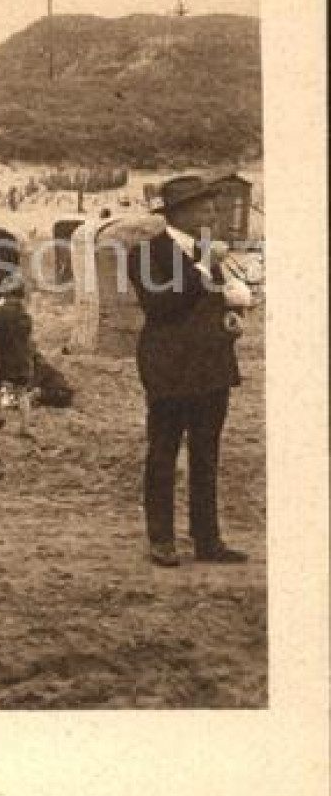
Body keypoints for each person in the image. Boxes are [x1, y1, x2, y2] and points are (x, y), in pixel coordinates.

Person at [128, 175, 248, 567]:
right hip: (170, 369)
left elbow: (212, 302)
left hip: (211, 365)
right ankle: (161, 539)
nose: (212, 213)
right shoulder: (146, 253)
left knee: (206, 454)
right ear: (180, 213)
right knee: (163, 451)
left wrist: (230, 316)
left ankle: (207, 540)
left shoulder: (206, 251)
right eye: (204, 206)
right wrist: (202, 267)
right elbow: (161, 306)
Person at [0, 280, 35, 436]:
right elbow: (28, 338)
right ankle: (25, 427)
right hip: (22, 358)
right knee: (21, 392)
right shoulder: (26, 315)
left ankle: (0, 415)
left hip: (2, 358)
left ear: (7, 295)